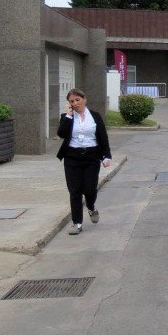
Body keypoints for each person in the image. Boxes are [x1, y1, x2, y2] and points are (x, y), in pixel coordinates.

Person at [56, 88, 112, 235]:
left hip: (91, 157)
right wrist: (68, 115)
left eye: (77, 100)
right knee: (74, 191)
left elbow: (103, 137)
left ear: (84, 99)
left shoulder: (95, 116)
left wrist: (106, 156)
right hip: (72, 158)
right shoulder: (66, 117)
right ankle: (77, 223)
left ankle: (91, 206)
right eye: (71, 101)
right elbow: (61, 133)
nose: (75, 103)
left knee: (89, 189)